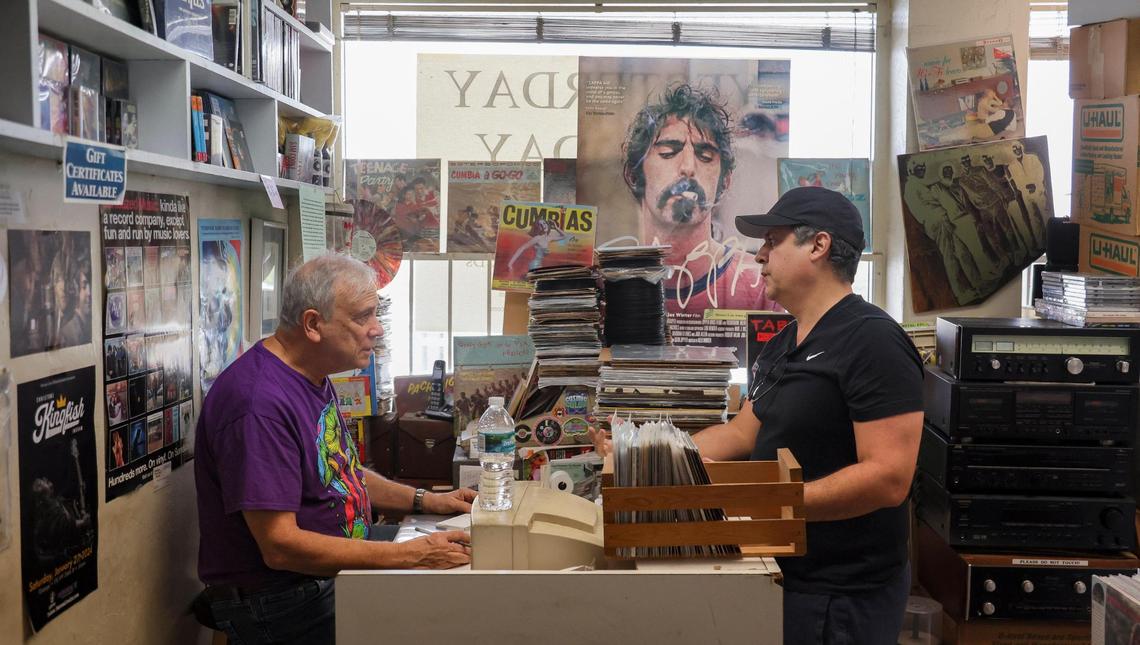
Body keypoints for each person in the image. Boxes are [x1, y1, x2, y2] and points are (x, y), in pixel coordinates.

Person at [592, 187, 924, 645]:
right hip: (777, 570)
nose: (760, 254)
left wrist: (768, 503)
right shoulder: (784, 341)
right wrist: (644, 452)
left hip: (840, 592)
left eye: (774, 240)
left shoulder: (874, 342)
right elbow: (742, 432)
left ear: (818, 246)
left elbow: (889, 477)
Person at [193, 253, 475, 645]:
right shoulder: (258, 405)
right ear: (313, 324)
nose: (376, 329)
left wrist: (428, 501)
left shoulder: (311, 372)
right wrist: (413, 555)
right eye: (362, 317)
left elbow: (341, 473)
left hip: (325, 568)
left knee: (469, 568)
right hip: (282, 596)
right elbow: (280, 547)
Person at [622, 83, 779, 313]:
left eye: (705, 156)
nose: (687, 167)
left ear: (725, 182)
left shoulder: (759, 285)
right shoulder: (608, 284)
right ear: (634, 175)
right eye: (668, 153)